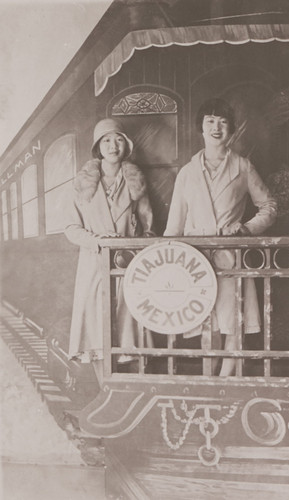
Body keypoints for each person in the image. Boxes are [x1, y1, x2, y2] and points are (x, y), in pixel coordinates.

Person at [164, 98, 277, 376]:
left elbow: (270, 206)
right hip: (194, 259)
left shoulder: (243, 167)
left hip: (230, 258)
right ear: (200, 128)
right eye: (210, 121)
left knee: (233, 322)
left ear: (232, 129)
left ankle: (226, 381)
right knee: (205, 323)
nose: (216, 127)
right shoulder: (187, 173)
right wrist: (167, 261)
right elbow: (174, 225)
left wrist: (247, 229)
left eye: (223, 121)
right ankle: (208, 382)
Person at [64, 118, 154, 385]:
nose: (112, 146)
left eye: (118, 139)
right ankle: (106, 392)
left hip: (129, 266)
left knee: (130, 329)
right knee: (96, 330)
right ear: (97, 147)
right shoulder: (81, 184)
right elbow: (70, 227)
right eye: (106, 140)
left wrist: (135, 248)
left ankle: (131, 393)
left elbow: (149, 226)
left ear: (126, 145)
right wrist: (97, 241)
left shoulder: (136, 181)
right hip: (93, 266)